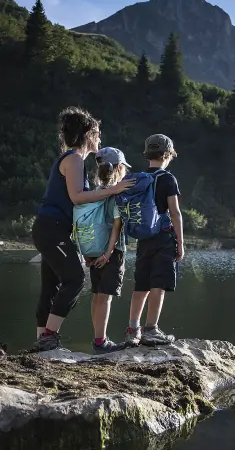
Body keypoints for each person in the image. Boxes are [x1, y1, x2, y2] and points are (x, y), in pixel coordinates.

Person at [32, 107, 134, 352]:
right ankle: (49, 335)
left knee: (50, 285)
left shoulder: (71, 159)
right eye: (97, 133)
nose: (99, 138)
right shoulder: (75, 159)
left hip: (50, 229)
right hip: (52, 228)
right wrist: (113, 190)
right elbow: (77, 197)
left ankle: (42, 342)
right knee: (75, 278)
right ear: (88, 133)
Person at [124, 134, 184, 346]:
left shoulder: (137, 178)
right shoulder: (168, 179)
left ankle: (133, 329)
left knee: (141, 285)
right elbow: (175, 213)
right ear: (167, 154)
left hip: (143, 237)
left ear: (148, 154)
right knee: (159, 284)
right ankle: (151, 329)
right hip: (163, 237)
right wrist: (181, 243)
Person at [87, 147, 131, 354]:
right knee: (105, 297)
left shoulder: (93, 192)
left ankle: (96, 338)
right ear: (120, 168)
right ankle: (101, 342)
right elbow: (117, 225)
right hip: (111, 252)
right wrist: (108, 253)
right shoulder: (117, 195)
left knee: (97, 295)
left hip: (93, 251)